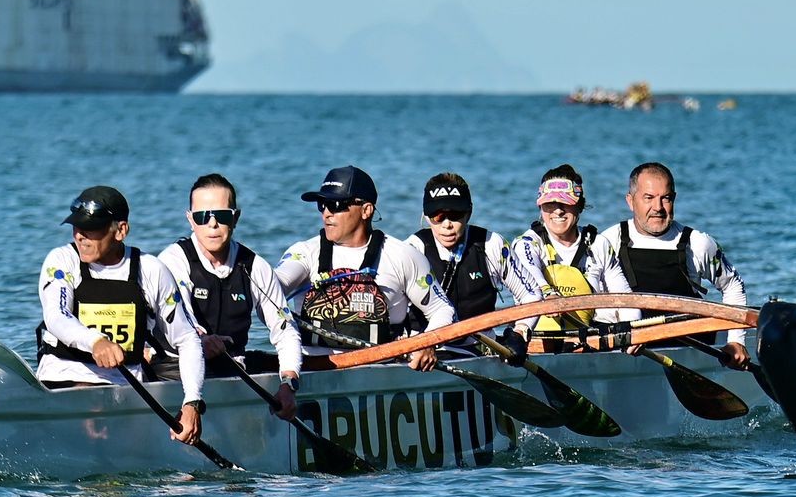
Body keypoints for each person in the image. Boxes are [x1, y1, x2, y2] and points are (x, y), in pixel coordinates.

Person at [35, 185, 207, 445]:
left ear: (121, 230)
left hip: (124, 395)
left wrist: (192, 402)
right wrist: (96, 342)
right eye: (76, 227)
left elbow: (187, 340)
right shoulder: (62, 261)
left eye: (91, 229)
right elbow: (56, 316)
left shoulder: (150, 271)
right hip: (62, 383)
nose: (80, 236)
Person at [275, 165, 455, 371]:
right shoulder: (304, 253)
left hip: (382, 372)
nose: (326, 213)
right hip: (314, 370)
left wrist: (427, 344)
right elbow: (274, 286)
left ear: (366, 210)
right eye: (322, 205)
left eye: (335, 204)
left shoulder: (403, 256)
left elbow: (442, 309)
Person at [157, 173, 302, 420]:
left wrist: (288, 384)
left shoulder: (255, 267)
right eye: (203, 217)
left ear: (235, 218)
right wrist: (200, 340)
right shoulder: (172, 261)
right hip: (173, 371)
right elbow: (182, 316)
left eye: (221, 216)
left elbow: (285, 330)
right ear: (190, 220)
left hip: (232, 370)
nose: (212, 224)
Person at [598, 161, 750, 370]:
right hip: (628, 352)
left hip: (688, 349)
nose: (658, 208)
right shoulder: (607, 242)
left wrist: (736, 340)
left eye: (666, 198)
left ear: (674, 199)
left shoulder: (698, 243)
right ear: (631, 201)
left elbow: (733, 286)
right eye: (648, 198)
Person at [404, 172, 534, 361]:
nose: (447, 225)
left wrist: (520, 332)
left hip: (478, 350)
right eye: (438, 216)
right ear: (426, 216)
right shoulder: (411, 250)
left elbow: (530, 294)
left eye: (455, 215)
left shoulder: (492, 245)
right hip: (422, 351)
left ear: (469, 213)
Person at [506, 163, 632, 354]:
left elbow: (624, 299)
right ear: (540, 207)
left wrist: (633, 333)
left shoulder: (599, 244)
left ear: (579, 206)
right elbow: (532, 277)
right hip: (537, 344)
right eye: (549, 204)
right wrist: (549, 295)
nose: (557, 211)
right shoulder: (526, 243)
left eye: (565, 203)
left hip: (586, 343)